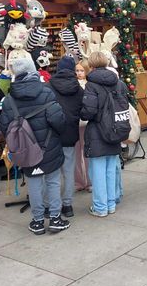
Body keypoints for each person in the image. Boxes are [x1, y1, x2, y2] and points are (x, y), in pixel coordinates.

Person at [0, 58, 69, 235]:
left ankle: (37, 221)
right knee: (52, 182)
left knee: (34, 184)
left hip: (25, 150)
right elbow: (58, 121)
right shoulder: (46, 93)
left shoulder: (8, 100)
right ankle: (55, 218)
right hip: (49, 146)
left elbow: (4, 127)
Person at [81, 51, 128, 217]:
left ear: (91, 66)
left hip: (98, 131)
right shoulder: (118, 82)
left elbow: (88, 112)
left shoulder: (91, 85)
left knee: (98, 171)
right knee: (110, 169)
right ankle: (110, 204)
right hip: (115, 130)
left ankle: (100, 207)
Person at [49, 56, 84, 218]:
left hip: (52, 134)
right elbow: (84, 110)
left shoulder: (48, 86)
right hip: (70, 133)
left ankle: (53, 204)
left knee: (53, 173)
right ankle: (67, 205)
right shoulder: (78, 89)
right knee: (68, 170)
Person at [74, 61, 91, 191]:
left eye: (81, 70)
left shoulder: (90, 85)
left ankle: (89, 181)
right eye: (77, 71)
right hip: (76, 123)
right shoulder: (73, 85)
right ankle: (79, 181)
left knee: (87, 152)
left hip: (86, 122)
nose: (79, 73)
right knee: (76, 153)